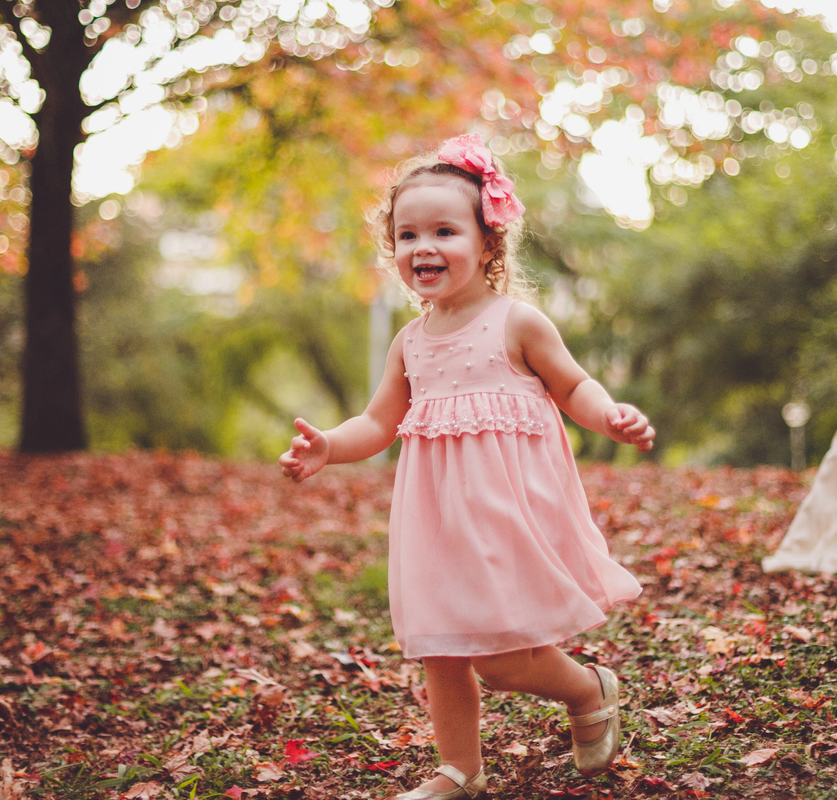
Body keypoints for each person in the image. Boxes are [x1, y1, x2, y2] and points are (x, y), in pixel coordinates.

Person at [279, 133, 654, 800]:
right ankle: (460, 769)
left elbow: (573, 387)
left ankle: (587, 689)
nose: (422, 247)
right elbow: (379, 422)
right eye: (407, 235)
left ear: (488, 244)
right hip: (435, 519)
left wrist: (610, 415)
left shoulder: (518, 323)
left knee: (504, 662)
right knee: (442, 645)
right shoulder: (410, 343)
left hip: (508, 513)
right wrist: (329, 446)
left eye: (444, 231)